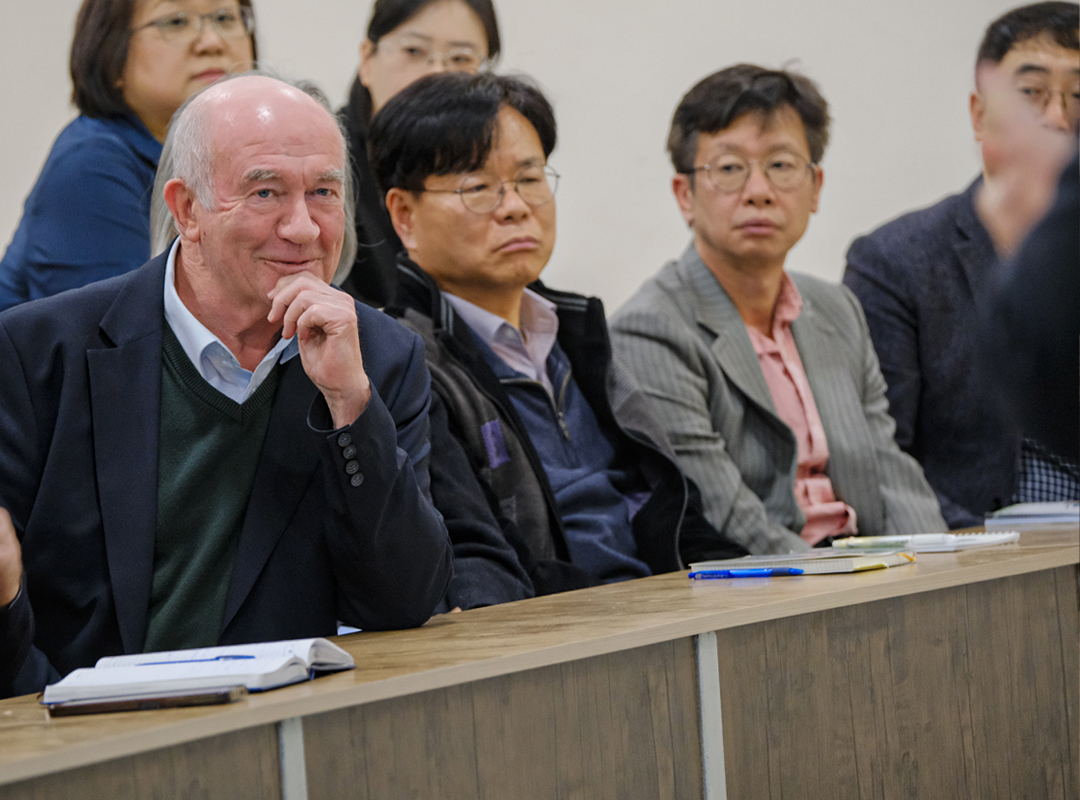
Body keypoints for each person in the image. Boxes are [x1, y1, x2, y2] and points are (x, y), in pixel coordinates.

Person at [0, 74, 453, 699]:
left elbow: (404, 600)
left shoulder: (378, 356)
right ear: (187, 210)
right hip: (72, 723)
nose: (304, 228)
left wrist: (350, 405)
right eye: (266, 192)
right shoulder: (37, 353)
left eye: (323, 192)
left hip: (282, 724)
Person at [371, 72, 743, 593]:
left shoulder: (576, 334)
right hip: (567, 625)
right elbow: (486, 569)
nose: (515, 206)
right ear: (404, 215)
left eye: (529, 179)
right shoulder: (405, 363)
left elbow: (680, 519)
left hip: (664, 608)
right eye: (478, 187)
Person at [610, 65, 945, 556]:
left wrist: (933, 565)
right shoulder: (651, 330)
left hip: (867, 567)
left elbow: (890, 473)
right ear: (685, 195)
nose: (759, 191)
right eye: (729, 168)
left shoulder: (836, 308)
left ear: (816, 187)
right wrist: (848, 584)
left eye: (781, 165)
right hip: (773, 583)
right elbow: (725, 514)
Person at [842, 2, 1080, 528]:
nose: (1059, 119)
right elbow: (883, 458)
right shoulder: (895, 259)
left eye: (1079, 96)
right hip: (984, 548)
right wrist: (980, 545)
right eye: (1032, 93)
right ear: (980, 115)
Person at [0, 0, 257, 311]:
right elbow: (115, 330)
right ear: (112, 58)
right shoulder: (92, 165)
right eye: (176, 22)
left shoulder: (242, 153)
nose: (212, 42)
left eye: (225, 17)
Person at [337, 0, 500, 307]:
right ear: (367, 59)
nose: (436, 74)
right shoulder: (323, 167)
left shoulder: (491, 167)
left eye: (460, 58)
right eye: (414, 51)